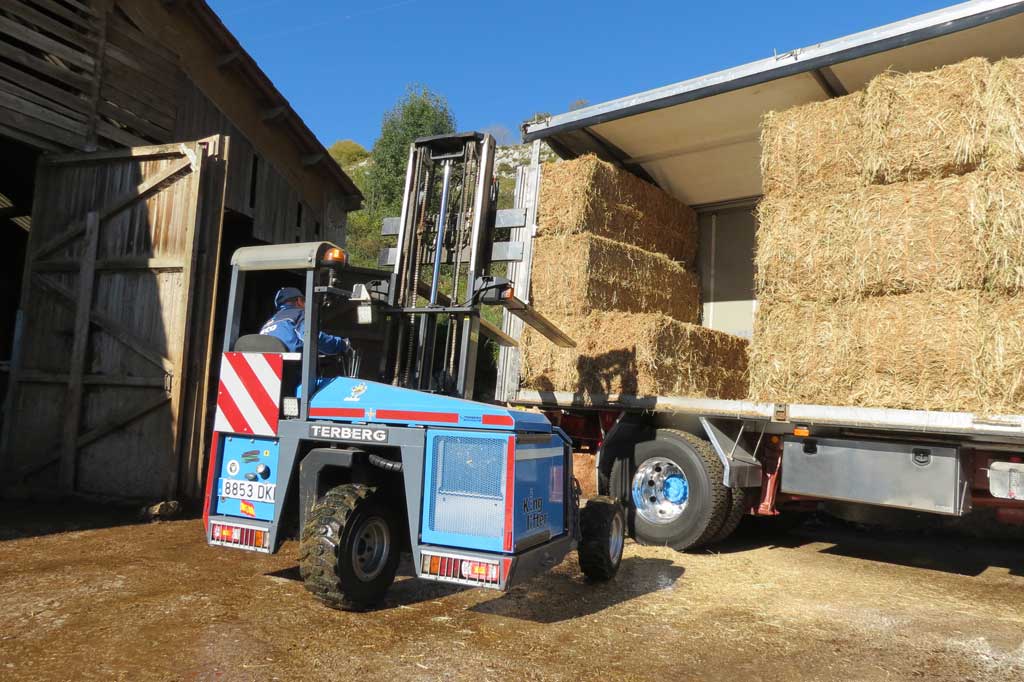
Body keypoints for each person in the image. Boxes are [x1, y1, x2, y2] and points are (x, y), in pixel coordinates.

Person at [260, 287, 350, 354]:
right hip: (291, 371)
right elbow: (311, 337)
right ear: (299, 301)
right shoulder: (299, 313)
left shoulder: (269, 322)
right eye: (304, 301)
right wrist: (341, 344)